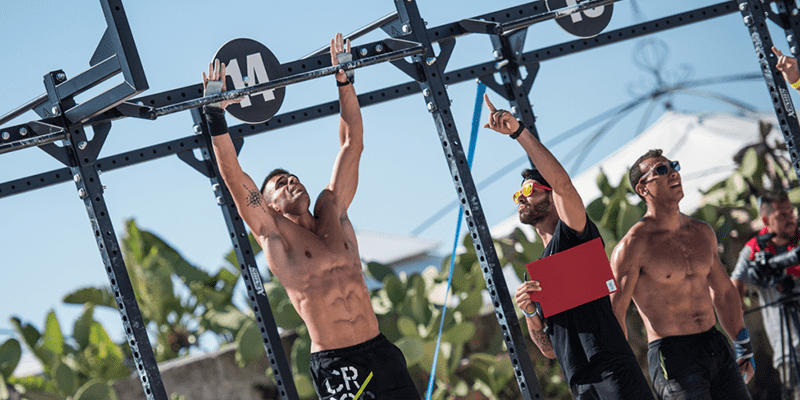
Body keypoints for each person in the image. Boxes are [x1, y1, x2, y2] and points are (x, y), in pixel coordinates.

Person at [201, 33, 419, 400]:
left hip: (380, 349)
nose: (292, 182)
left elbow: (352, 143)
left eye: (293, 177)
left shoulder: (335, 211)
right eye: (281, 184)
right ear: (268, 205)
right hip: (337, 362)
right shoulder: (275, 237)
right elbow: (236, 183)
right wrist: (214, 114)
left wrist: (344, 78)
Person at [487, 96, 654, 399]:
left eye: (529, 190)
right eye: (517, 194)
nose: (521, 198)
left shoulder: (574, 235)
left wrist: (517, 132)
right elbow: (550, 350)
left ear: (550, 196)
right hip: (579, 381)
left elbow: (563, 183)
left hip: (611, 367)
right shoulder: (537, 273)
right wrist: (530, 313)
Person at [609, 149, 754, 399]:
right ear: (643, 189)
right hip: (672, 357)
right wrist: (623, 376)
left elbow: (723, 291)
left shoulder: (701, 232)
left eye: (673, 166)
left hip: (715, 344)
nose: (673, 173)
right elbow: (614, 313)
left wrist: (743, 346)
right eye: (662, 170)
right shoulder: (633, 245)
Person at [731, 189, 800, 400]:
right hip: (787, 345)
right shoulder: (755, 248)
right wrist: (738, 303)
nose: (790, 219)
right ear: (765, 219)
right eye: (782, 215)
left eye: (791, 213)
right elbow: (737, 279)